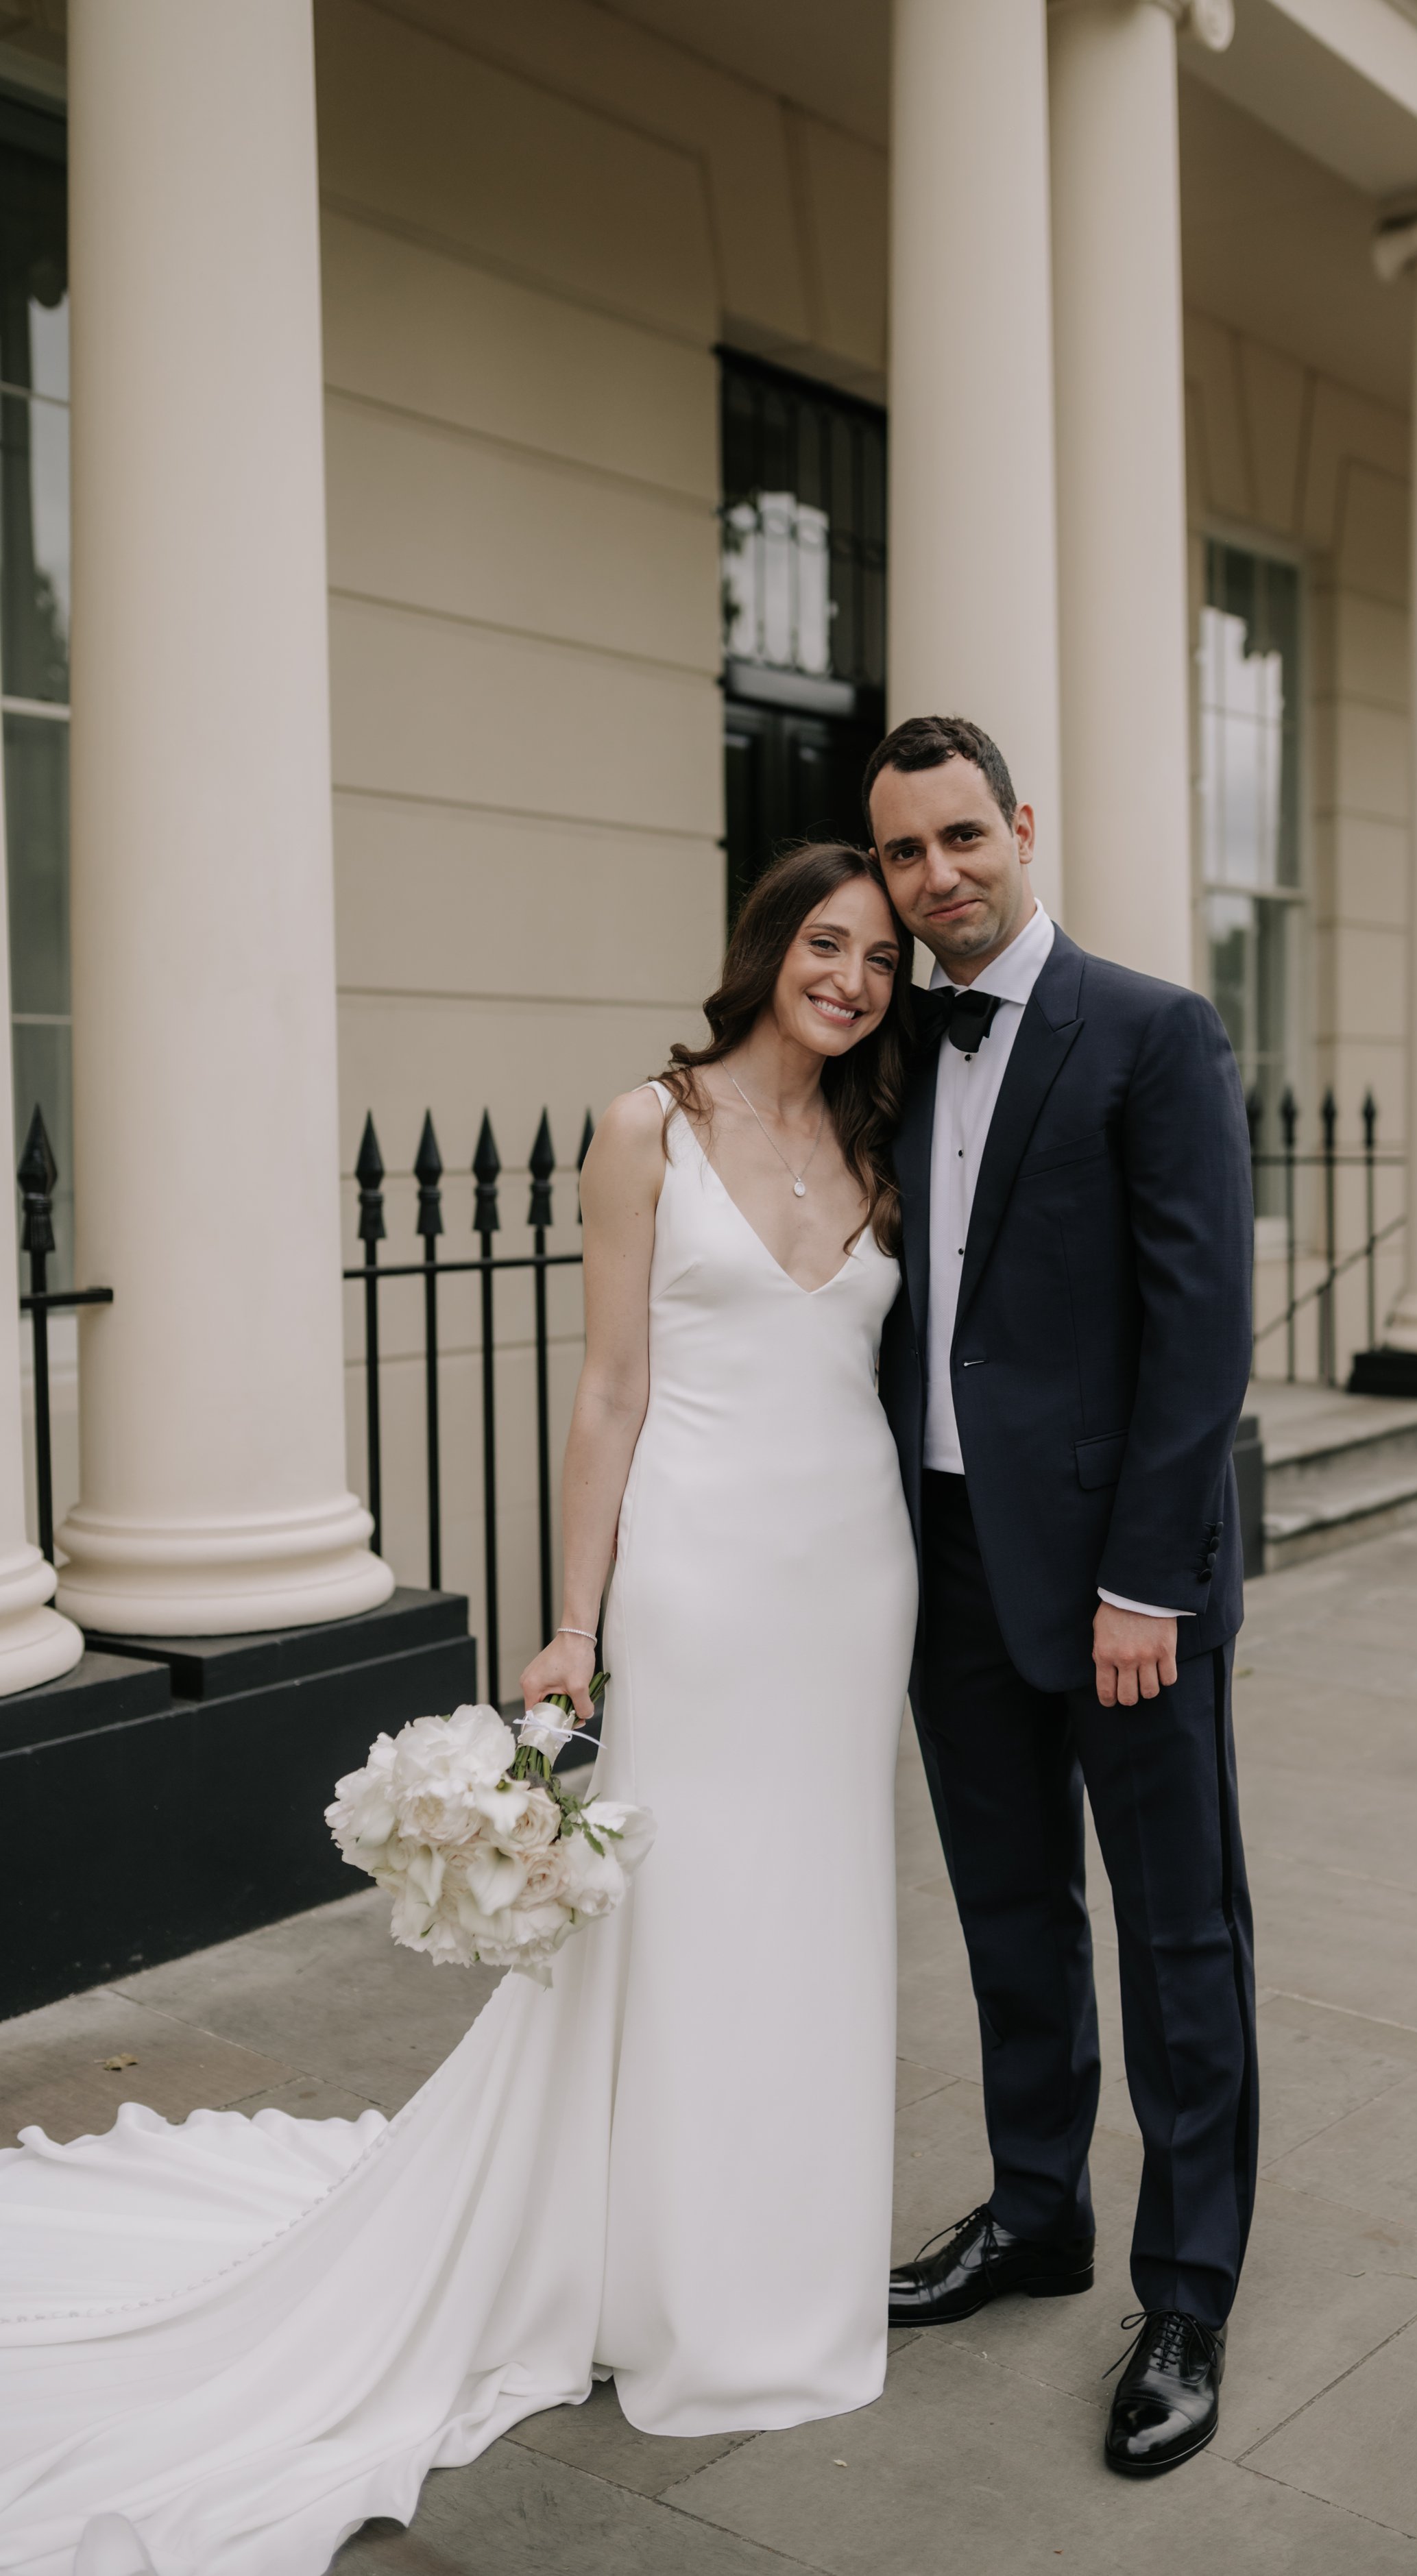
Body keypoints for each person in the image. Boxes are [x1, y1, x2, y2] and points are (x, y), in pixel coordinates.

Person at [0, 842, 919, 2576]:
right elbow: (608, 1388)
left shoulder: (877, 1143)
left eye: (877, 956)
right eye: (825, 941)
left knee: (816, 1919)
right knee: (688, 1916)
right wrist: (572, 1619)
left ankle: (787, 2266)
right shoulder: (648, 1122)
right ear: (765, 948)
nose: (853, 977)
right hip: (703, 1581)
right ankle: (661, 2277)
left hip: (854, 1579)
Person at [871, 715, 1256, 2478]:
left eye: (962, 838)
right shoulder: (891, 1037)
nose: (936, 877)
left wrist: (1141, 1581)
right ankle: (1038, 2213)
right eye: (902, 853)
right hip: (947, 1558)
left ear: (1022, 828)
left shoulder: (1152, 1028)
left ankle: (1182, 2289)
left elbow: (1194, 1340)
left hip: (1121, 1588)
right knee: (1009, 1912)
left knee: (1180, 1936)